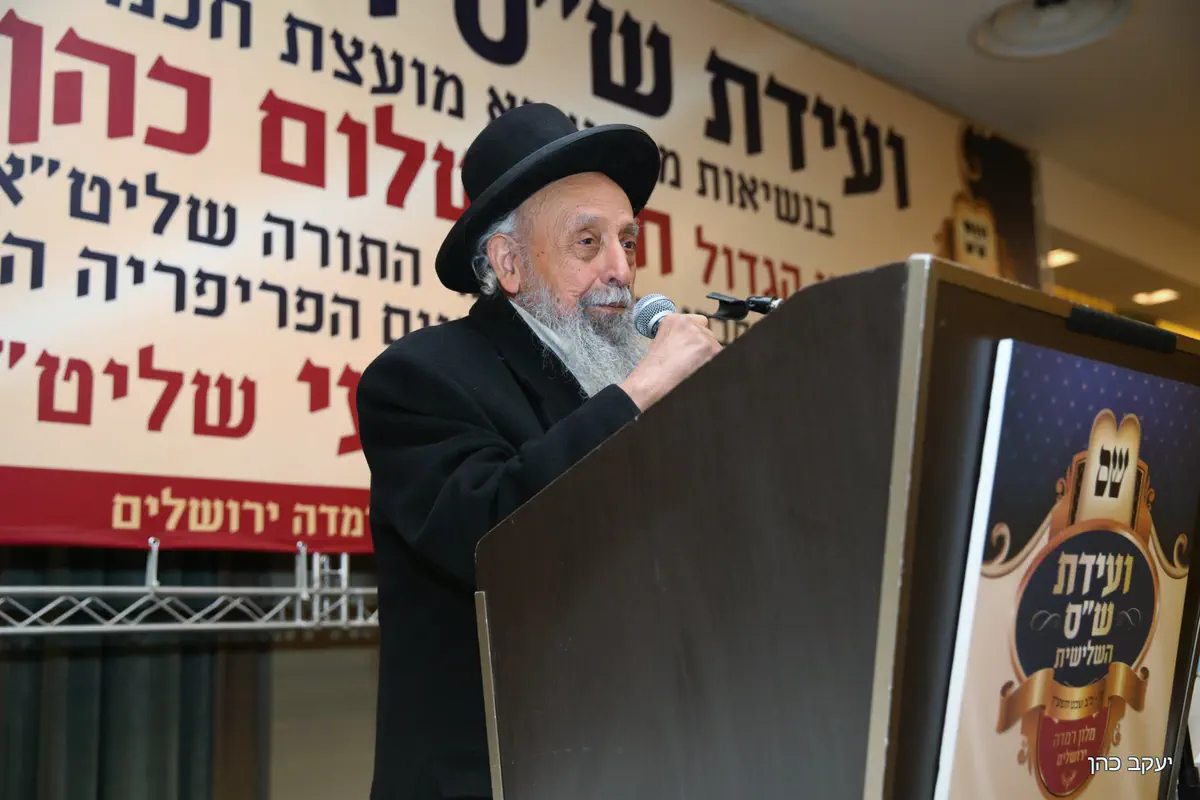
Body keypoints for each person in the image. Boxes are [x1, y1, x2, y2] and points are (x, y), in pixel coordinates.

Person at [357, 103, 721, 799]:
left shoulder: (623, 379)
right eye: (588, 243)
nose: (621, 269)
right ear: (509, 263)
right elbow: (494, 537)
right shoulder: (420, 378)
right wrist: (640, 391)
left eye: (628, 241)